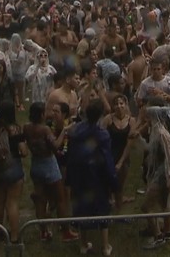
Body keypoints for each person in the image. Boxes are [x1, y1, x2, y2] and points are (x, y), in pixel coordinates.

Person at [65, 99, 117, 257]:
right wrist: (113, 183)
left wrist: (70, 178)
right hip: (97, 178)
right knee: (102, 210)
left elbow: (70, 155)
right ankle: (105, 246)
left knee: (81, 208)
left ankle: (83, 244)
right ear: (101, 114)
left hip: (79, 176)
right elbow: (107, 160)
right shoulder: (102, 134)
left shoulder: (75, 131)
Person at [23, 101, 76, 243]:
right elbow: (56, 146)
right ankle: (66, 231)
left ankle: (43, 232)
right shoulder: (44, 129)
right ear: (41, 114)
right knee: (60, 199)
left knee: (40, 200)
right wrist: (64, 131)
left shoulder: (26, 127)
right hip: (49, 165)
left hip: (35, 164)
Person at [0, 100, 27, 242]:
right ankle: (14, 236)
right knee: (12, 203)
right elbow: (24, 151)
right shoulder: (16, 129)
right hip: (13, 167)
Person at [139, 106, 170, 250]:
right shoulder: (155, 131)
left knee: (146, 207)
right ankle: (168, 233)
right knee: (164, 204)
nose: (146, 120)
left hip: (164, 174)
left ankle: (158, 236)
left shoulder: (162, 133)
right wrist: (140, 139)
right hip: (158, 172)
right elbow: (150, 149)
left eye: (148, 117)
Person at [101, 93, 138, 212]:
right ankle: (106, 208)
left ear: (126, 105)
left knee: (120, 186)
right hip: (109, 154)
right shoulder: (108, 119)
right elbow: (101, 137)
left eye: (121, 103)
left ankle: (119, 211)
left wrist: (121, 162)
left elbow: (130, 143)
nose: (119, 106)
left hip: (124, 155)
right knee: (107, 184)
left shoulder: (132, 121)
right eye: (116, 104)